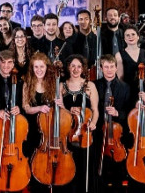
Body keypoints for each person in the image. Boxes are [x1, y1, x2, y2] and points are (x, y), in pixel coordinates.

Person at [59, 54, 99, 193]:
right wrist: (69, 111)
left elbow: (95, 110)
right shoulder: (61, 86)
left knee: (85, 169)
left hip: (85, 132)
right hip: (67, 133)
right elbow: (60, 110)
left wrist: (93, 123)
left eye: (79, 66)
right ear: (68, 68)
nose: (76, 69)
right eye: (73, 66)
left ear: (83, 69)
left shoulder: (90, 85)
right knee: (68, 168)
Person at [94, 54, 130, 190]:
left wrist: (117, 113)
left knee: (117, 171)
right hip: (99, 131)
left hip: (117, 134)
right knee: (98, 168)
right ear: (101, 68)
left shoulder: (125, 87)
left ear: (116, 68)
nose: (109, 70)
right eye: (106, 67)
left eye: (111, 67)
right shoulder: (95, 85)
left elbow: (129, 111)